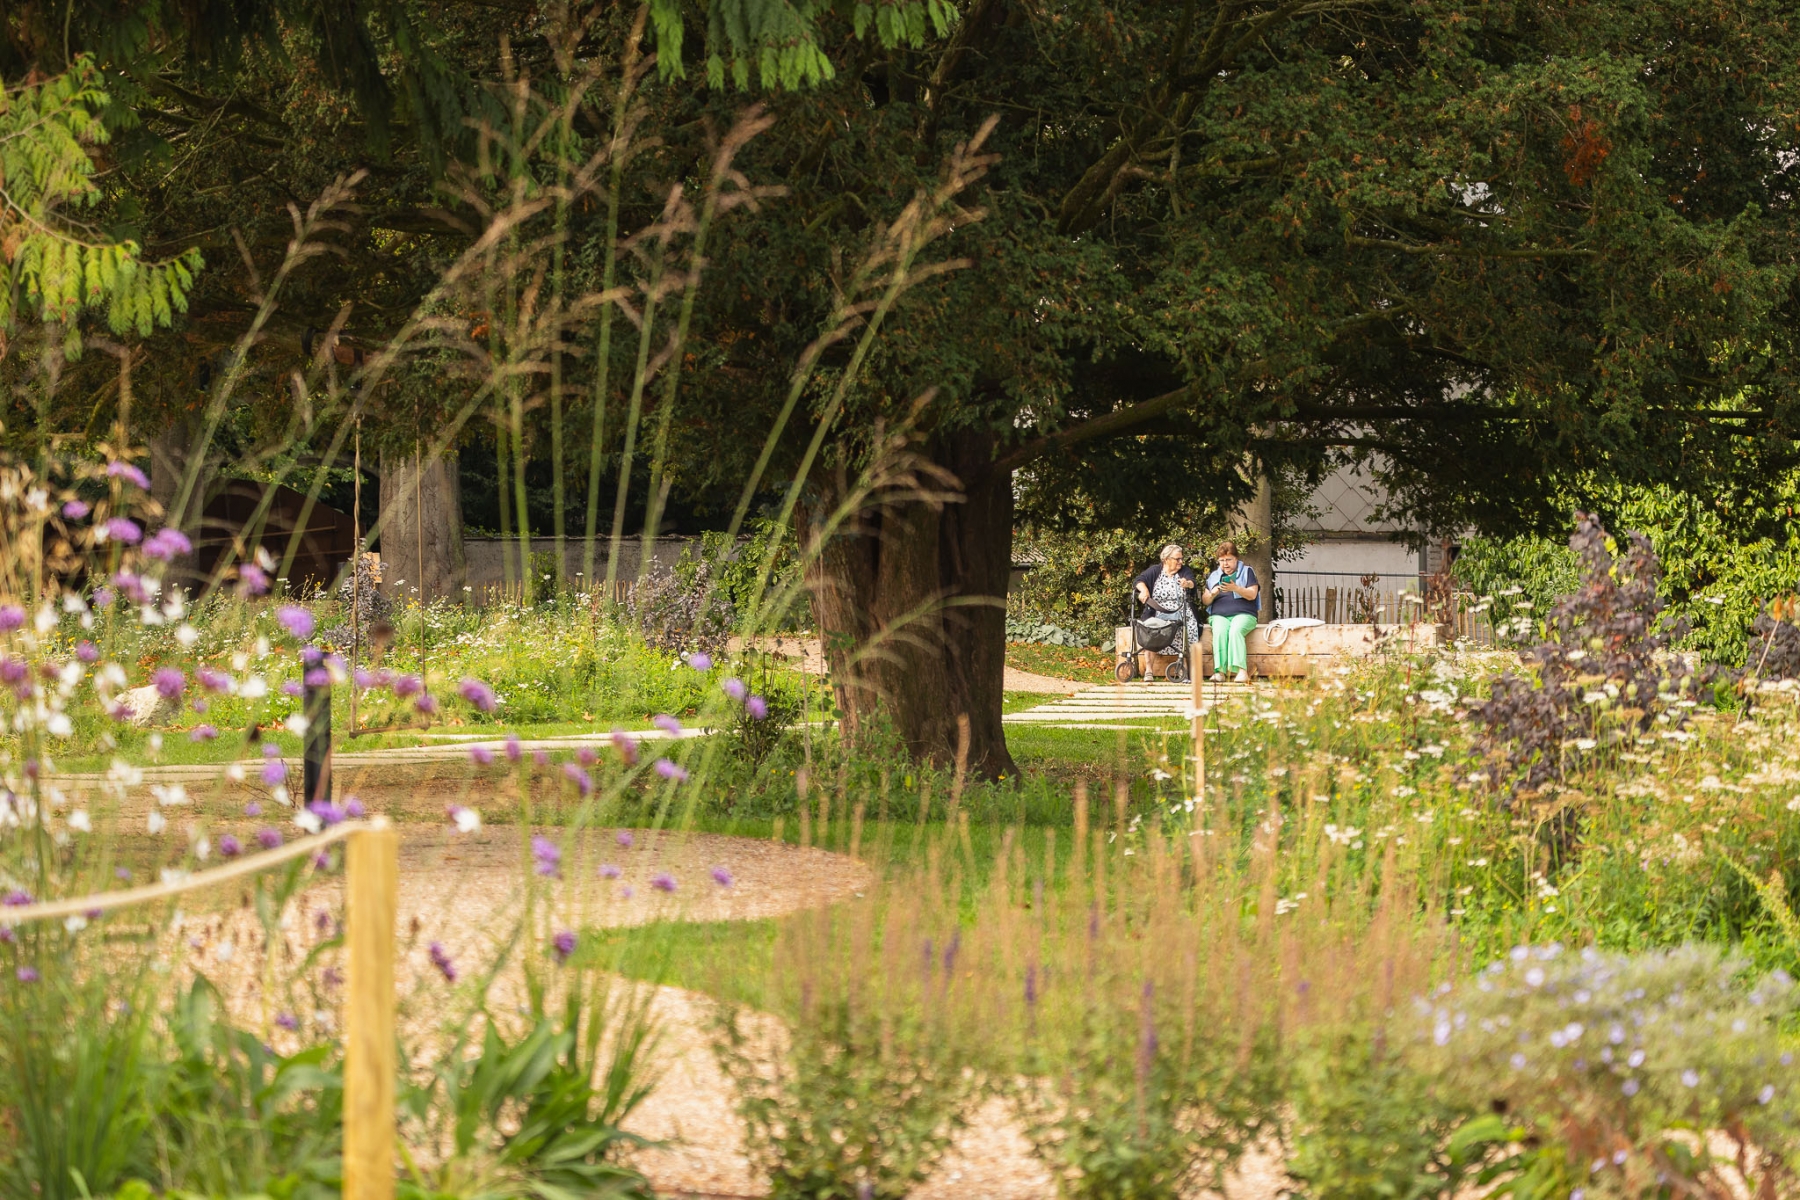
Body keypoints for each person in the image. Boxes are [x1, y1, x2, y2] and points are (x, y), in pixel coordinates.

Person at [1201, 540, 1259, 683]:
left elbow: (1252, 594)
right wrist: (1212, 594)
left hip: (1244, 614)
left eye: (1229, 560)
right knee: (1220, 631)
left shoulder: (1247, 571)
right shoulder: (1214, 576)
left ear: (1236, 559)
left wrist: (1236, 588)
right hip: (1219, 615)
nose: (1225, 564)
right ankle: (1220, 672)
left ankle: (1241, 671)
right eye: (1221, 560)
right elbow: (1205, 600)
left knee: (1235, 630)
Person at [1132, 543, 1200, 667]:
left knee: (1187, 626)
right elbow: (1138, 580)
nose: (1180, 561)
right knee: (1150, 629)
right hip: (1157, 611)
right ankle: (1149, 671)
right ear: (1166, 559)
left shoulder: (1184, 571)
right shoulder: (1155, 571)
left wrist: (1187, 584)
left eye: (1181, 558)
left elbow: (1192, 583)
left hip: (1181, 611)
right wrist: (1144, 590)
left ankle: (1183, 667)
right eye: (1177, 559)